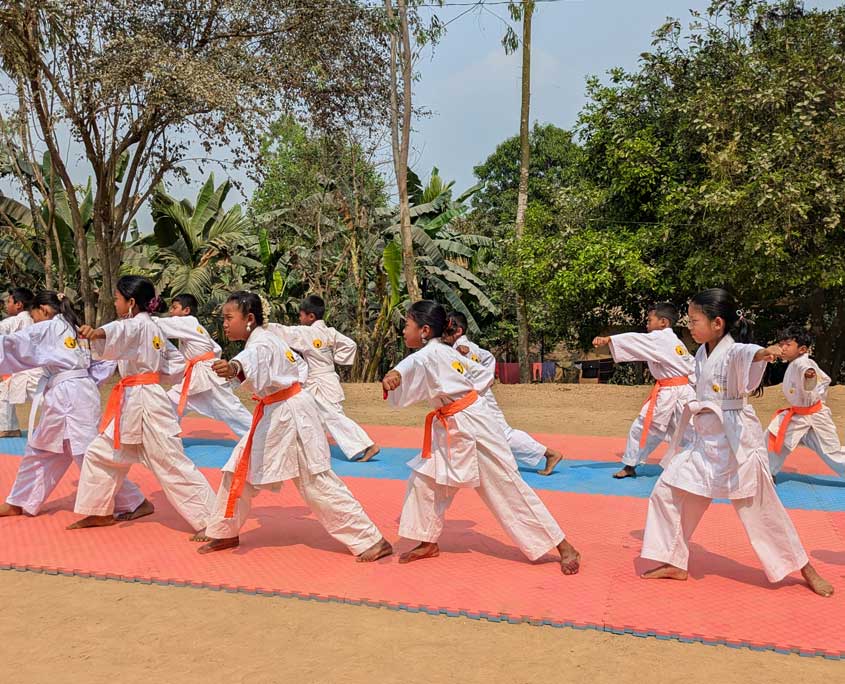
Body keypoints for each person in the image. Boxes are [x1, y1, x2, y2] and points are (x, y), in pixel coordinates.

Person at [639, 288, 833, 596]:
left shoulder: (733, 350)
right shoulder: (702, 353)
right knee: (667, 492)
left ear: (717, 323)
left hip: (736, 442)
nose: (689, 326)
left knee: (761, 509)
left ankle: (803, 567)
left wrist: (764, 352)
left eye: (694, 320)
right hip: (705, 441)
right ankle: (674, 560)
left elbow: (748, 353)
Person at [382, 300, 580, 574]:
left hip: (472, 426)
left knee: (505, 484)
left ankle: (563, 545)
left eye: (407, 325)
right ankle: (427, 541)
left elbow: (410, 364)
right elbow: (480, 374)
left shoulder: (431, 354)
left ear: (425, 330)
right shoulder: (446, 353)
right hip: (453, 425)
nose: (403, 331)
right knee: (424, 480)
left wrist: (394, 374)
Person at [196, 291, 392, 562]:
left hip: (290, 415)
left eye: (229, 318)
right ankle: (224, 530)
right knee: (238, 469)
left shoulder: (261, 343)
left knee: (315, 481)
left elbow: (251, 360)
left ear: (249, 318)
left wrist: (234, 367)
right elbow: (292, 365)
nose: (225, 324)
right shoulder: (267, 337)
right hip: (280, 411)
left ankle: (370, 539)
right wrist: (238, 367)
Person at [68, 276, 216, 534]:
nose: (115, 303)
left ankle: (212, 522)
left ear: (131, 302)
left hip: (146, 402)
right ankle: (99, 511)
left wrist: (99, 332)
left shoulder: (138, 325)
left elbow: (121, 331)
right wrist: (156, 374)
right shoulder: (153, 328)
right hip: (134, 400)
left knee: (170, 461)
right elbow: (176, 364)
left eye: (117, 298)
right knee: (99, 454)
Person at [0, 291, 151, 519]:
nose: (34, 322)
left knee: (86, 453)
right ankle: (19, 501)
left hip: (72, 394)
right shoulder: (73, 328)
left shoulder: (52, 327)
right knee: (43, 449)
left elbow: (15, 344)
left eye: (34, 317)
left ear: (45, 310)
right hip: (72, 392)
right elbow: (101, 364)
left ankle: (134, 501)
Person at [441, 311, 563, 475]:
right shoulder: (468, 347)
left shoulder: (463, 347)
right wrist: (486, 379)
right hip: (476, 395)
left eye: (447, 330)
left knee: (503, 433)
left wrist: (483, 382)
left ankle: (549, 453)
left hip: (479, 397)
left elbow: (481, 359)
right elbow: (489, 358)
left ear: (458, 331)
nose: (443, 335)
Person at [267, 295, 379, 461]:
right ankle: (304, 448)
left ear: (311, 316)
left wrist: (262, 326)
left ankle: (367, 445)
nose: (299, 318)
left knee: (332, 416)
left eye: (301, 315)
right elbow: (350, 344)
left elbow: (284, 331)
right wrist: (337, 359)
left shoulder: (307, 332)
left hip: (319, 381)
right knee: (309, 413)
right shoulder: (330, 332)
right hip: (325, 379)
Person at [592, 302, 695, 479]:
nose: (647, 324)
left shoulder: (660, 338)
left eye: (650, 320)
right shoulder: (675, 342)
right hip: (679, 392)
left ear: (663, 322)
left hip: (673, 393)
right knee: (688, 431)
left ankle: (700, 464)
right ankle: (631, 464)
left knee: (646, 428)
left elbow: (635, 339)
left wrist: (610, 339)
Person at [156, 293, 253, 437]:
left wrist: (139, 319)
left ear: (186, 311)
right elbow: (215, 349)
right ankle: (166, 437)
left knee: (231, 410)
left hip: (207, 376)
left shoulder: (187, 322)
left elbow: (156, 324)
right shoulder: (196, 327)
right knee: (167, 405)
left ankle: (260, 438)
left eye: (175, 307)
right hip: (196, 375)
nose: (171, 311)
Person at [767, 325, 844, 480]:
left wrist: (809, 376)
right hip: (797, 415)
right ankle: (767, 472)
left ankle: (767, 470)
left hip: (815, 416)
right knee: (773, 437)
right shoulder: (794, 363)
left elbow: (808, 371)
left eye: (788, 345)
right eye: (781, 344)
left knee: (831, 452)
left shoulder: (803, 363)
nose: (783, 348)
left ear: (802, 349)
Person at [0, 288, 43, 437]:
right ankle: (9, 427)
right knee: (4, 389)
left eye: (9, 301)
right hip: (38, 368)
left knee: (46, 401)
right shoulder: (38, 318)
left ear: (18, 304)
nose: (7, 305)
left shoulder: (17, 320)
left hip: (29, 371)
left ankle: (9, 427)